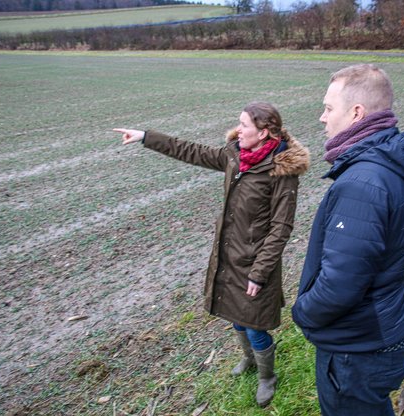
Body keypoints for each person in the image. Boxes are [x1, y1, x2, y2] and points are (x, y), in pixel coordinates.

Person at [113, 102, 310, 407]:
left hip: (256, 262)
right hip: (229, 255)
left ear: (264, 132)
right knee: (236, 317)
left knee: (255, 324)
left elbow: (281, 228)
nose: (238, 129)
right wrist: (144, 136)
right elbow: (189, 150)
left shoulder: (280, 172)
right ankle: (249, 360)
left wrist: (259, 273)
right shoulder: (235, 155)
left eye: (244, 125)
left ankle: (266, 376)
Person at [291, 64, 404, 415]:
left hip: (361, 343)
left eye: (328, 108)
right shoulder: (396, 160)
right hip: (390, 320)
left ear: (356, 113)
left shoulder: (361, 183)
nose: (322, 118)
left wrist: (302, 312)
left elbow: (340, 285)